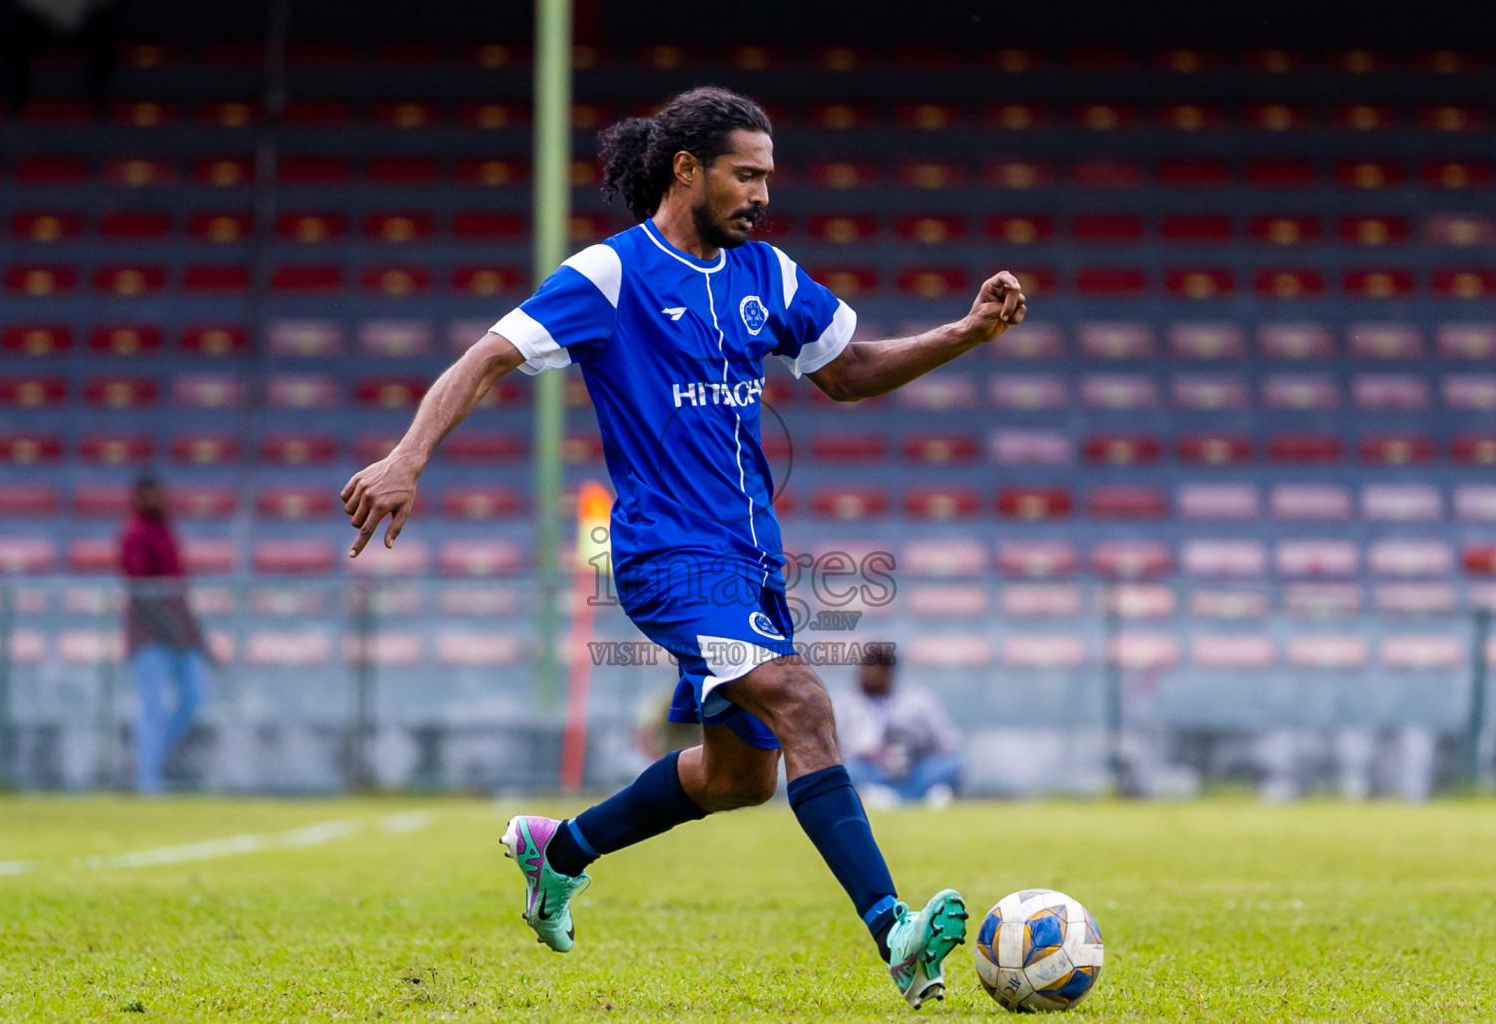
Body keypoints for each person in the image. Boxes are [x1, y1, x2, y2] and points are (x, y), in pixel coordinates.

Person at [342, 86, 1027, 1008]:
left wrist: (968, 331)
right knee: (803, 702)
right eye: (746, 175)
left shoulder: (767, 275)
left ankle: (559, 852)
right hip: (667, 557)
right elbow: (487, 356)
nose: (762, 194)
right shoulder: (610, 275)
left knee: (740, 778)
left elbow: (850, 371)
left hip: (751, 563)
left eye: (768, 177)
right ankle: (894, 931)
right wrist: (407, 456)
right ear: (686, 169)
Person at [119, 473, 209, 793]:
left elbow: (178, 588)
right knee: (152, 707)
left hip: (180, 632)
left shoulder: (166, 529)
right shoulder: (135, 533)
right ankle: (147, 779)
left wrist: (195, 636)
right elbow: (141, 590)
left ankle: (148, 760)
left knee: (195, 697)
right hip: (150, 636)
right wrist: (169, 628)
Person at [839, 646, 963, 808]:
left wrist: (917, 748)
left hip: (915, 770)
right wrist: (867, 752)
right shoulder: (845, 703)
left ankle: (909, 796)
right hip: (870, 771)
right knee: (846, 768)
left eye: (881, 667)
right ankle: (891, 795)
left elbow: (949, 740)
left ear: (891, 671)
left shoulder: (918, 700)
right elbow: (834, 748)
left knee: (953, 763)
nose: (874, 672)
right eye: (869, 667)